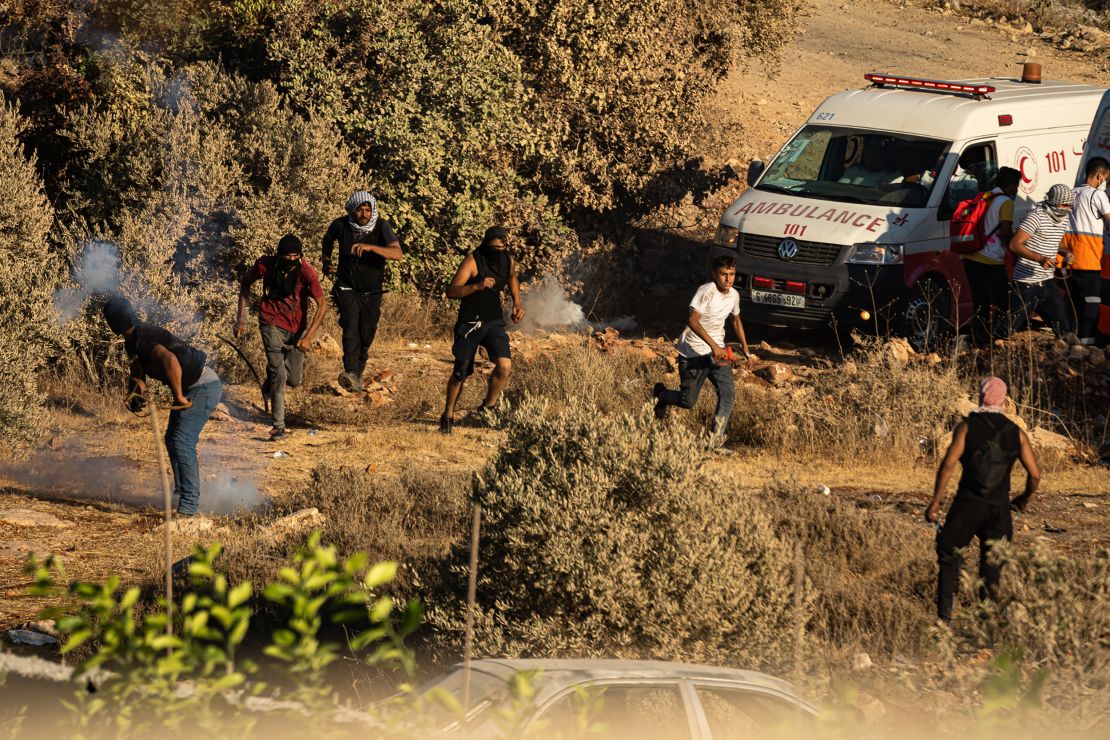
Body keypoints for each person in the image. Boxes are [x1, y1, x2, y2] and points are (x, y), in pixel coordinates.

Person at [925, 377, 1039, 622]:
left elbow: (948, 465)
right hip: (999, 510)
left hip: (967, 505)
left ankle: (944, 620)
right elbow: (1035, 474)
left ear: (981, 396)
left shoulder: (967, 427)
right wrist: (1023, 498)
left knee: (948, 555)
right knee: (992, 566)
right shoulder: (1017, 433)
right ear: (1004, 401)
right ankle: (984, 627)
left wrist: (935, 502)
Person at [102, 295, 222, 518]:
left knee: (181, 441)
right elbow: (138, 374)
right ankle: (181, 496)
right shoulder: (132, 341)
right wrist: (135, 393)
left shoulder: (143, 338)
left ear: (113, 323)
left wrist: (178, 396)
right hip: (197, 386)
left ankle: (188, 508)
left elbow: (170, 361)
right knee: (173, 440)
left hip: (203, 387)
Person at [235, 233, 328, 441]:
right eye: (288, 256)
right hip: (271, 323)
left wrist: (308, 337)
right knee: (281, 376)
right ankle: (278, 427)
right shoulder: (265, 265)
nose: (292, 260)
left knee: (294, 380)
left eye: (296, 256)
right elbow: (245, 284)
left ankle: (271, 378)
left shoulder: (306, 272)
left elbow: (323, 304)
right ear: (280, 255)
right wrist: (240, 318)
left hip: (297, 330)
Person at [653, 255, 751, 449]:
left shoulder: (734, 295)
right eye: (724, 274)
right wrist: (714, 347)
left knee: (728, 395)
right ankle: (662, 395)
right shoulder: (706, 291)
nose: (728, 279)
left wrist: (746, 350)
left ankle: (714, 443)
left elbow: (735, 320)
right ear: (714, 275)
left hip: (717, 354)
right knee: (687, 401)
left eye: (732, 274)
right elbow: (692, 321)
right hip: (693, 353)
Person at [440, 226, 524, 435]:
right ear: (486, 244)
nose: (499, 250)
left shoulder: (507, 260)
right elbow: (451, 291)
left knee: (504, 365)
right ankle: (448, 415)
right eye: (495, 247)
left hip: (493, 321)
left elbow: (512, 277)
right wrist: (476, 286)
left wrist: (517, 302)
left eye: (502, 246)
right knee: (460, 373)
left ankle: (488, 406)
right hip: (469, 323)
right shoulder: (473, 261)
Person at [321, 190, 403, 391]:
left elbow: (397, 253)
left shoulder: (381, 226)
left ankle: (357, 374)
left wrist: (371, 248)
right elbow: (327, 240)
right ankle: (349, 371)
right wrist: (326, 262)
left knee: (366, 332)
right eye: (360, 210)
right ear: (352, 210)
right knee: (350, 327)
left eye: (368, 210)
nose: (364, 214)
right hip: (346, 285)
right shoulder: (341, 225)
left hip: (373, 291)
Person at [962, 167, 1021, 346]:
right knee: (1005, 303)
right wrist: (1014, 250)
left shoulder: (983, 197)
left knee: (980, 303)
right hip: (990, 260)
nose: (1017, 190)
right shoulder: (1006, 202)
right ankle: (997, 338)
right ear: (1011, 186)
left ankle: (978, 339)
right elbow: (1005, 231)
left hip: (970, 257)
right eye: (1017, 186)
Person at [1006, 183, 1075, 337]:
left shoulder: (1062, 218)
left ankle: (1063, 358)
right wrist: (1039, 258)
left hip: (1048, 282)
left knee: (1064, 329)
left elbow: (1056, 240)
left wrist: (1065, 252)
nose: (1068, 208)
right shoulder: (1036, 216)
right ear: (1054, 201)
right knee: (1008, 329)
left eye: (1070, 205)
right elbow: (1015, 244)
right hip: (1027, 284)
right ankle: (985, 350)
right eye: (1065, 204)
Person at [1060, 157, 1110, 345]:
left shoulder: (1071, 193)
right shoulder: (1097, 195)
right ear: (1099, 175)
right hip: (1088, 259)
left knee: (1074, 304)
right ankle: (1086, 348)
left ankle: (1072, 342)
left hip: (1069, 259)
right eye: (1106, 178)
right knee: (1090, 305)